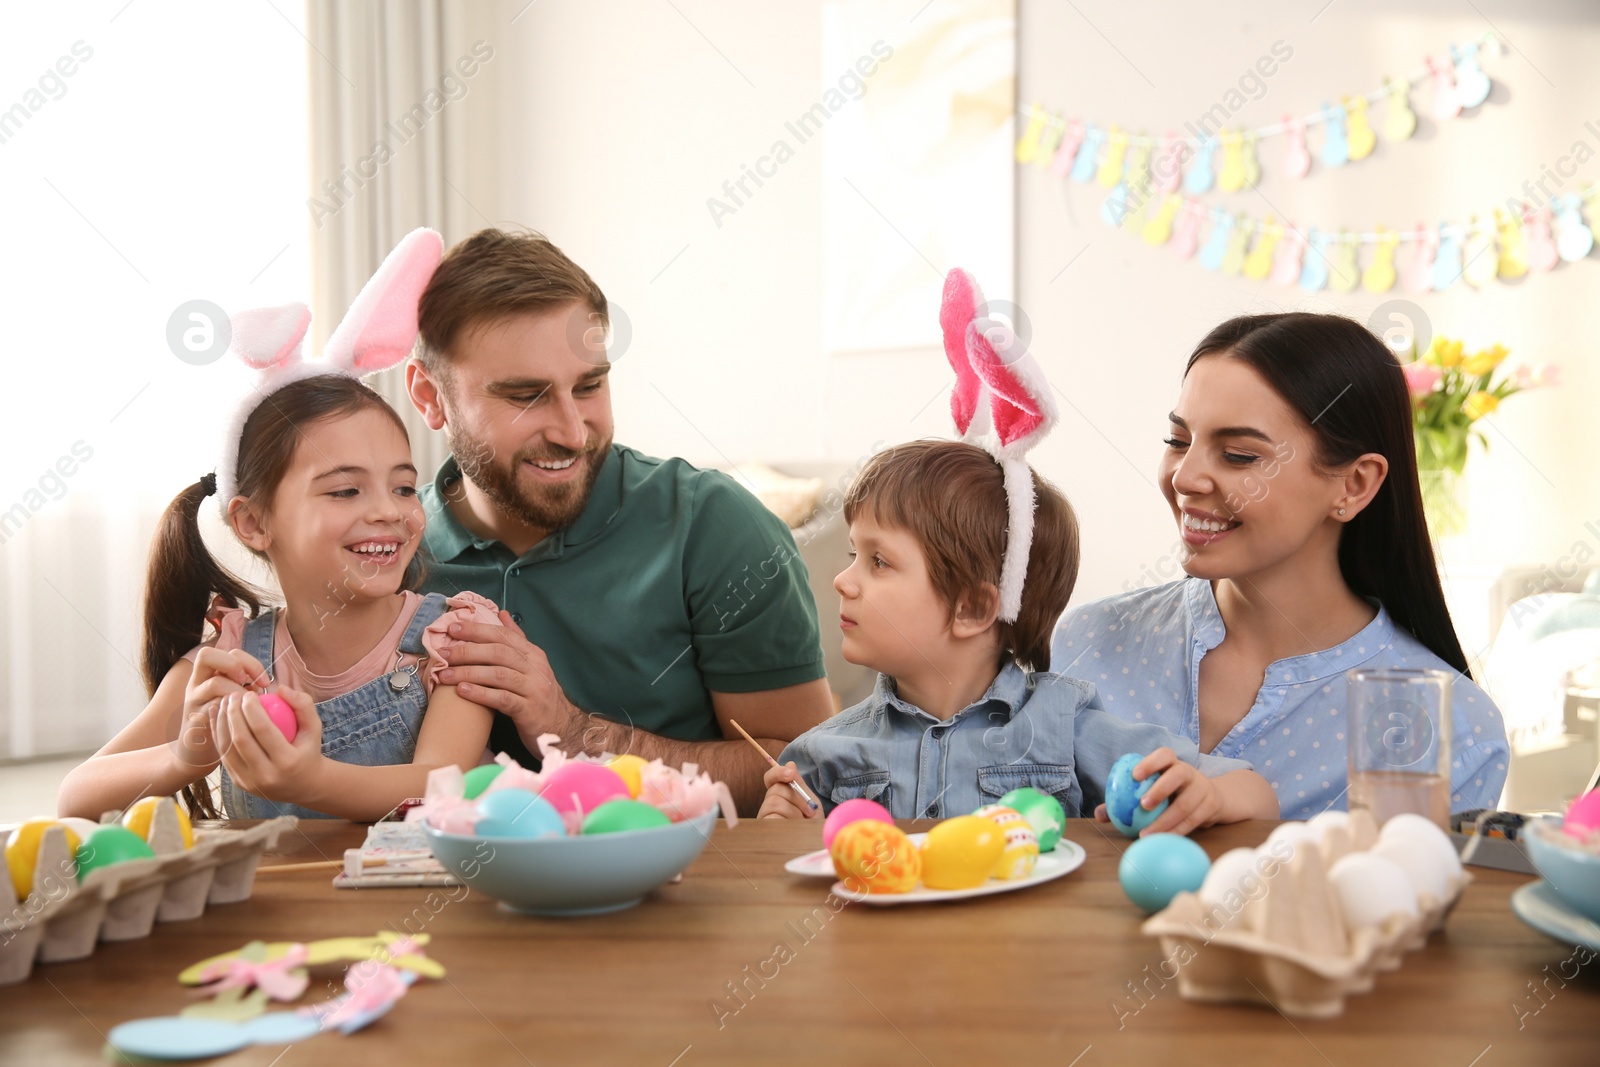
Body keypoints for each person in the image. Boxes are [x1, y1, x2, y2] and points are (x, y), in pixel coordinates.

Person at [59, 229, 499, 822]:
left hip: (421, 914)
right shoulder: (228, 662)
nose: (390, 511)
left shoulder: (451, 642)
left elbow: (441, 785)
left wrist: (312, 779)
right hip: (273, 917)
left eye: (401, 485)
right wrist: (185, 756)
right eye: (345, 489)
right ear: (253, 522)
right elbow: (76, 797)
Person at [404, 229, 833, 814]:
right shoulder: (389, 551)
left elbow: (806, 767)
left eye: (589, 386)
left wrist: (576, 732)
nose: (572, 432)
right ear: (430, 396)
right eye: (527, 396)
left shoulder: (716, 527)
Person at [1051, 313, 1509, 821]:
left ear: (1354, 484)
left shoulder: (1455, 731)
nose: (1185, 477)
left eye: (1239, 455)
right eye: (1177, 442)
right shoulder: (1086, 646)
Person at [758, 440, 1279, 833]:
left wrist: (1205, 797)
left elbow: (1254, 791)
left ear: (973, 607)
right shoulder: (821, 753)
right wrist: (784, 829)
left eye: (877, 561)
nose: (842, 580)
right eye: (853, 555)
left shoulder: (1065, 726)